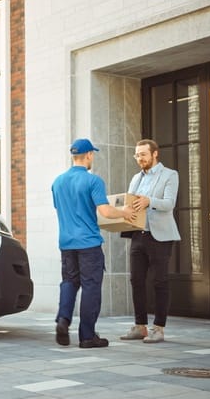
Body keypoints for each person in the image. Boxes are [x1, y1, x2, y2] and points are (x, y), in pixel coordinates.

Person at [52, 138, 135, 348]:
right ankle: (87, 336)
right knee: (91, 287)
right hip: (88, 243)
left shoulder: (58, 182)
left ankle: (63, 320)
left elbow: (63, 210)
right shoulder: (93, 181)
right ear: (89, 155)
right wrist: (124, 212)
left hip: (67, 243)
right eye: (93, 154)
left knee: (69, 282)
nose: (93, 158)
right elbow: (106, 211)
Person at [119, 139, 181, 343]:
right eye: (137, 155)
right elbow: (131, 203)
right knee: (136, 280)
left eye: (143, 154)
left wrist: (149, 201)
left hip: (160, 236)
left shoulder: (170, 175)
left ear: (155, 154)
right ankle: (140, 326)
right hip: (138, 234)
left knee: (159, 281)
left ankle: (159, 328)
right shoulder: (136, 178)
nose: (139, 158)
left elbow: (169, 204)